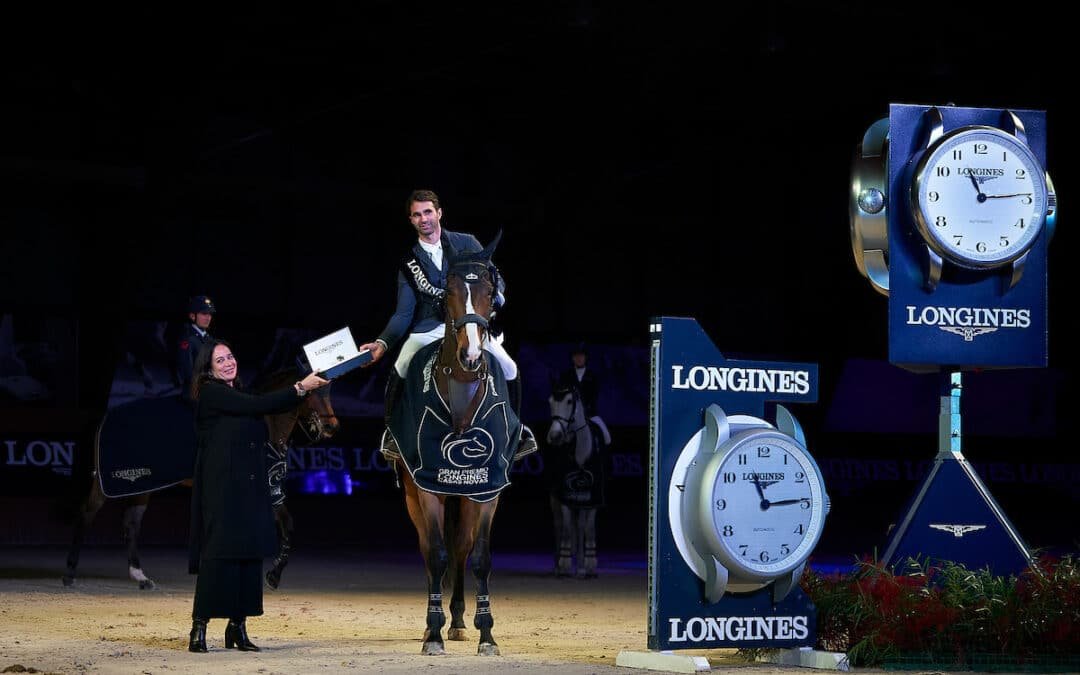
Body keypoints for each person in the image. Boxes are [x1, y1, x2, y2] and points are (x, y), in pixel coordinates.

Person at [359, 189, 533, 455]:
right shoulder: (410, 263)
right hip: (430, 328)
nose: (424, 219)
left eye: (428, 212)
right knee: (402, 364)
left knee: (509, 367)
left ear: (439, 213)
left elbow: (496, 281)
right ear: (411, 220)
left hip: (470, 324)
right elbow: (404, 314)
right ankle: (393, 434)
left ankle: (517, 432)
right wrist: (382, 344)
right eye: (417, 215)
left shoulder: (468, 243)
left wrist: (493, 298)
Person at [186, 339, 328, 653]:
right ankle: (199, 626)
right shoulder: (211, 393)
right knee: (217, 555)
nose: (228, 363)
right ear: (208, 369)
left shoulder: (242, 392)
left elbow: (265, 410)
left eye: (230, 356)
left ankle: (237, 627)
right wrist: (300, 388)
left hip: (250, 488)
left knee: (249, 555)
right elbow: (258, 406)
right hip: (222, 490)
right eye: (220, 360)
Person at [177, 295, 216, 401]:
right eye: (204, 314)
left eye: (209, 314)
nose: (208, 318)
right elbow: (187, 371)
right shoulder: (188, 339)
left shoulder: (209, 338)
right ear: (192, 316)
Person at [556, 342, 600, 419]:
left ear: (585, 357)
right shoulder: (565, 376)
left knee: (603, 429)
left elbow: (594, 397)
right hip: (569, 415)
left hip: (590, 415)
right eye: (576, 355)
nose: (579, 358)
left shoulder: (593, 376)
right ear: (572, 358)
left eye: (581, 355)